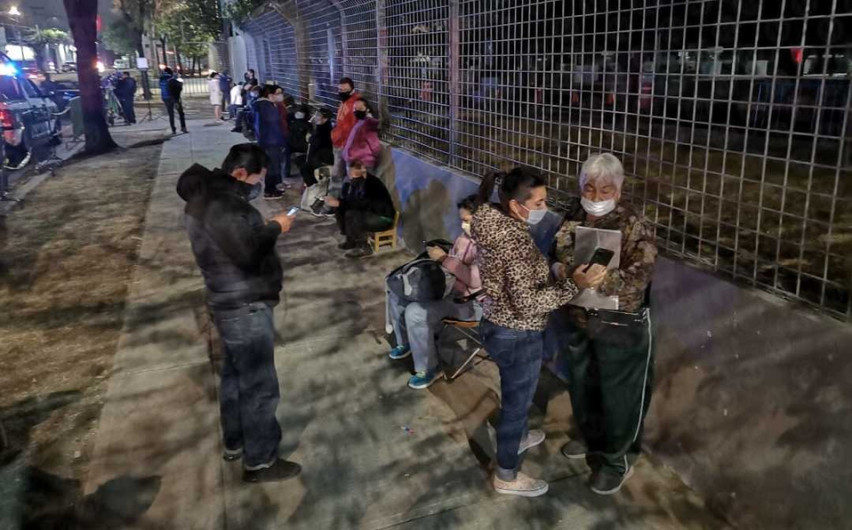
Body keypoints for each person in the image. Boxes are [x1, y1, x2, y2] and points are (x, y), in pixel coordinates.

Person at [471, 167, 603, 498]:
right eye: (540, 201)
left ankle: (515, 436)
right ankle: (506, 474)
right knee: (518, 403)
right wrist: (575, 284)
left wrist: (554, 268)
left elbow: (518, 276)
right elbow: (528, 303)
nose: (545, 206)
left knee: (515, 394)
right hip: (518, 333)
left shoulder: (493, 220)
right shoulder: (513, 240)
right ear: (517, 205)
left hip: (496, 323)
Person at [176, 143, 301, 483]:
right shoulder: (224, 206)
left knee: (233, 376)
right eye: (257, 178)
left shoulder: (206, 198)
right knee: (259, 385)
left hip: (226, 299)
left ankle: (235, 441)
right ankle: (260, 460)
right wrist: (276, 227)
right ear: (241, 174)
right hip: (244, 303)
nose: (259, 185)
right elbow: (247, 253)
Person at [550, 153, 657, 496]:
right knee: (583, 385)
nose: (595, 197)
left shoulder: (632, 223)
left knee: (619, 395)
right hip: (579, 315)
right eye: (589, 188)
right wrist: (567, 272)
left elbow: (640, 274)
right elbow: (560, 249)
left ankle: (616, 460)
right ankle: (593, 440)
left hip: (618, 323)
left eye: (604, 190)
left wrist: (601, 281)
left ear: (619, 190)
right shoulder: (574, 212)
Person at [387, 195, 483, 389]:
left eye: (467, 221)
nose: (463, 226)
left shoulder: (491, 246)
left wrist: (443, 259)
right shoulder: (464, 238)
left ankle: (429, 368)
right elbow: (453, 262)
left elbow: (474, 281)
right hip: (449, 290)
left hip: (470, 304)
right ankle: (405, 342)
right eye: (461, 221)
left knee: (415, 312)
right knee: (399, 287)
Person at [323, 160, 395, 259]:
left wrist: (340, 203)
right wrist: (336, 202)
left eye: (355, 174)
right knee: (340, 209)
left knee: (353, 215)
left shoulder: (372, 184)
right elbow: (351, 200)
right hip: (369, 213)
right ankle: (351, 241)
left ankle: (364, 247)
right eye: (352, 174)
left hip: (382, 218)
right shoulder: (356, 182)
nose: (352, 177)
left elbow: (362, 204)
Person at [328, 77, 361, 207]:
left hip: (348, 146)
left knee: (349, 177)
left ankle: (345, 205)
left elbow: (354, 128)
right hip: (339, 144)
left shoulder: (356, 104)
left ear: (352, 89)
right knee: (337, 175)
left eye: (345, 90)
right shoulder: (344, 101)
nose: (341, 92)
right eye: (340, 89)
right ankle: (333, 203)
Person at [253, 85, 287, 199]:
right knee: (272, 166)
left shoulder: (263, 105)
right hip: (271, 141)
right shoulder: (267, 107)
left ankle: (273, 188)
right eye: (277, 93)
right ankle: (270, 190)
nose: (280, 96)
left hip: (270, 141)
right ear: (270, 95)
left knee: (273, 166)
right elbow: (274, 124)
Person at [341, 98, 381, 172]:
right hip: (353, 160)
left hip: (362, 163)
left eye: (360, 108)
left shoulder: (368, 124)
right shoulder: (359, 122)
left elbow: (374, 145)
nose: (356, 111)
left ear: (367, 109)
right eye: (355, 108)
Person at [301, 108, 334, 187]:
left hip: (321, 158)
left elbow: (317, 142)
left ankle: (313, 186)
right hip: (316, 156)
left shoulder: (326, 130)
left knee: (306, 169)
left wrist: (310, 139)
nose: (316, 117)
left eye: (319, 115)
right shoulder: (320, 127)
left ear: (325, 118)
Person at [159, 67, 187, 135]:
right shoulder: (172, 79)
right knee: (181, 113)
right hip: (174, 99)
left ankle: (173, 129)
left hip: (165, 98)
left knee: (171, 114)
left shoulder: (161, 79)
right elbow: (179, 87)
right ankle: (183, 127)